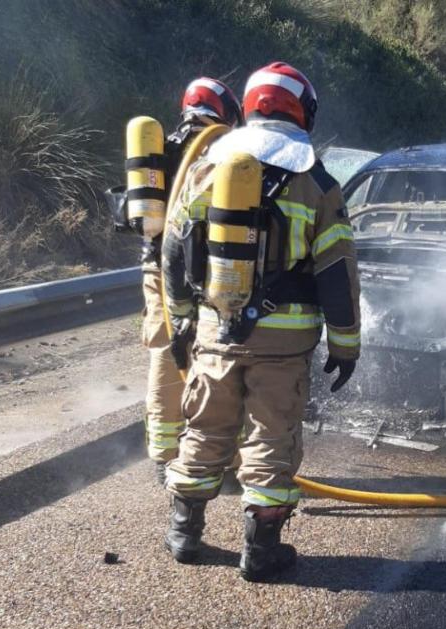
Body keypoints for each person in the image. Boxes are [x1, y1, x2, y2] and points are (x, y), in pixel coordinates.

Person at [161, 62, 361, 581]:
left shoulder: (209, 165)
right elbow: (336, 271)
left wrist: (182, 320)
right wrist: (346, 346)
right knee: (272, 437)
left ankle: (185, 534)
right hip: (284, 340)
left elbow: (176, 250)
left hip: (214, 329)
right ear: (304, 112)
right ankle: (261, 551)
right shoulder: (317, 182)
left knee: (204, 428)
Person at [107, 78, 242, 484]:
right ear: (228, 112)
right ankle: (225, 459)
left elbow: (137, 220)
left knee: (166, 354)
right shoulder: (228, 153)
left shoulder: (158, 151)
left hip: (158, 271)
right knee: (220, 359)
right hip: (211, 273)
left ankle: (166, 457)